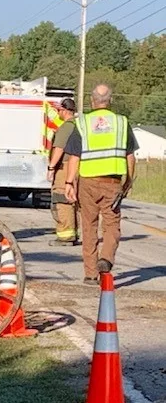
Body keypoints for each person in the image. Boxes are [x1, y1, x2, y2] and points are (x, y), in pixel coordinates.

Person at [64, 84, 139, 286]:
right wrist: (129, 180)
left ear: (91, 100)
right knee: (112, 224)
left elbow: (74, 157)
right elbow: (130, 155)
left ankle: (90, 274)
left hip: (87, 182)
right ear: (110, 100)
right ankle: (106, 258)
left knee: (89, 226)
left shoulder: (83, 124)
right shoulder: (122, 123)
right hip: (112, 182)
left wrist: (69, 182)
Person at [47, 98, 79, 246]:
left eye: (58, 110)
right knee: (73, 200)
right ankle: (73, 232)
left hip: (65, 166)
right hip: (76, 166)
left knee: (62, 199)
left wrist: (51, 167)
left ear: (64, 111)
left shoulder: (66, 127)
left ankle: (65, 236)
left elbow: (59, 148)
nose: (57, 113)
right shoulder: (79, 125)